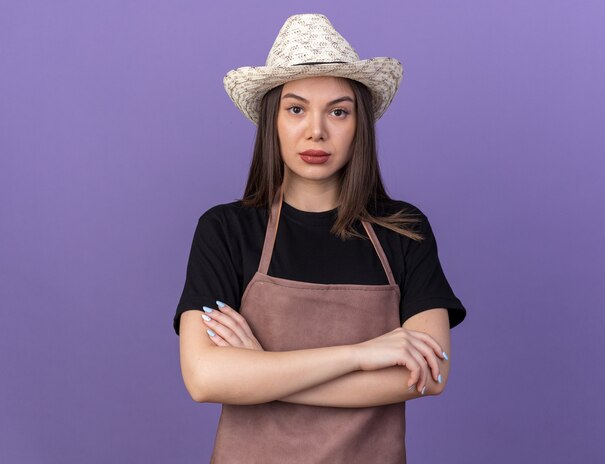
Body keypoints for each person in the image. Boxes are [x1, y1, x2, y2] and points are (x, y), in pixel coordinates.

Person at [173, 13, 467, 464]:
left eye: (338, 111)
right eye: (296, 109)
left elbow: (431, 374)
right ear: (272, 121)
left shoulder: (404, 229)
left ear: (358, 125)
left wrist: (261, 372)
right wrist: (362, 355)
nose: (317, 130)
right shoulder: (225, 229)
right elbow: (205, 379)